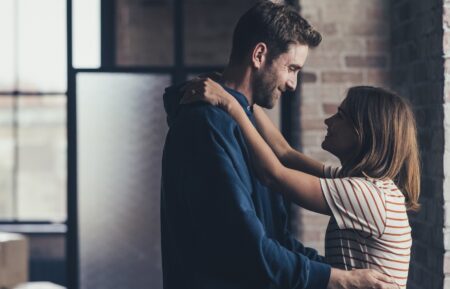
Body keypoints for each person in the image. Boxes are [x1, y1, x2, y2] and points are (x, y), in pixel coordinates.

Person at [161, 1, 399, 289]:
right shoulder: (207, 125)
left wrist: (338, 274)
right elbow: (246, 249)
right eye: (292, 68)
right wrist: (341, 279)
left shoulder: (242, 123)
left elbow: (277, 236)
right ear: (259, 55)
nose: (293, 84)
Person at [182, 81, 420, 289]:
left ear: (364, 133)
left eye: (340, 115)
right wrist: (245, 98)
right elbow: (284, 152)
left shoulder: (365, 194)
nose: (328, 120)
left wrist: (230, 105)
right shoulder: (358, 184)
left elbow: (273, 174)